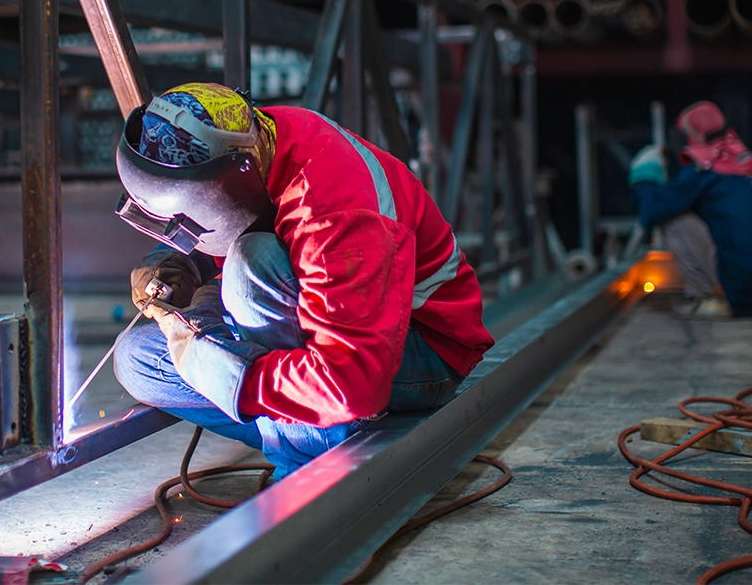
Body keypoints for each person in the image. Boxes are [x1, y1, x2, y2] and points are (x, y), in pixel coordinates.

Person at [110, 82, 493, 479]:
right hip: (334, 316)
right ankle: (307, 427)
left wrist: (233, 374)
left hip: (416, 347)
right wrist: (183, 265)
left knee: (251, 265)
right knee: (138, 359)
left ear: (231, 179)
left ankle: (309, 473)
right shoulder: (260, 137)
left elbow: (353, 382)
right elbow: (254, 223)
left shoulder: (333, 215)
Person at [628, 101, 752, 317]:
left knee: (671, 219)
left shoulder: (704, 171)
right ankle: (746, 295)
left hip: (742, 291)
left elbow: (650, 212)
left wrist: (646, 177)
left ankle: (706, 298)